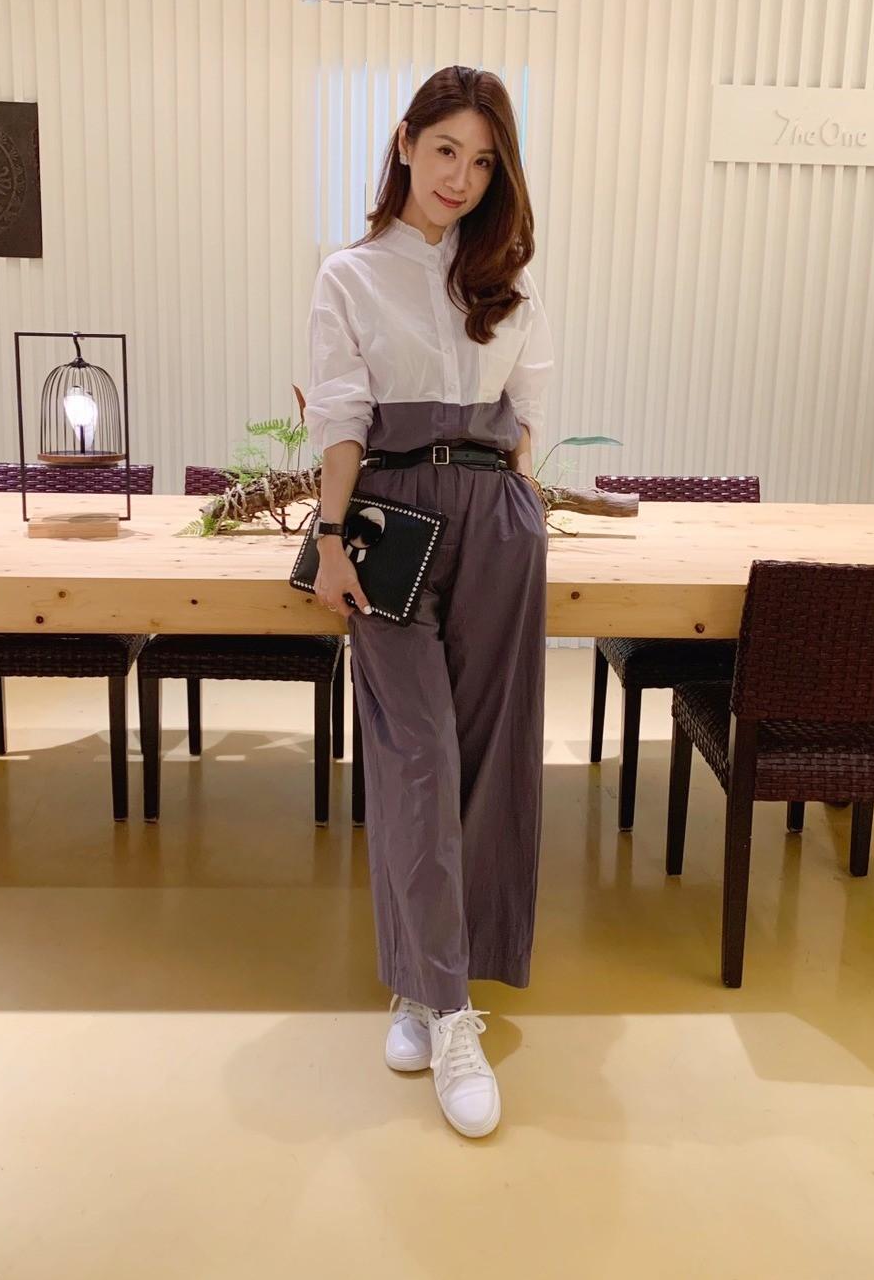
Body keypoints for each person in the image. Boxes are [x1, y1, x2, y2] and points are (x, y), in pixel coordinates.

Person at [304, 65, 553, 1139]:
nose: (460, 176)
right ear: (404, 142)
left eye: (483, 160)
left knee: (493, 757)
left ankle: (427, 983)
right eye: (445, 148)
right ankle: (450, 1015)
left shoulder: (507, 278)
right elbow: (341, 419)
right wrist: (329, 539)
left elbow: (526, 414)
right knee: (416, 759)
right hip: (393, 519)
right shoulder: (349, 275)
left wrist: (520, 515)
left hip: (496, 519)